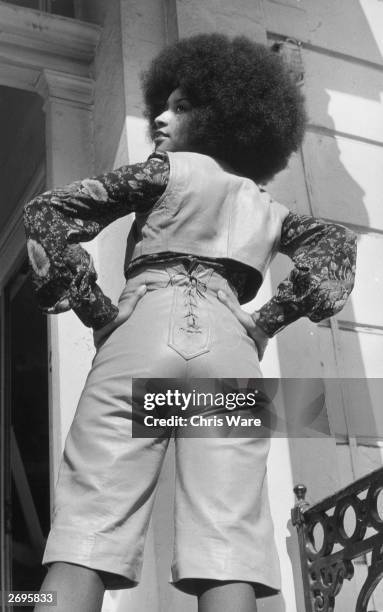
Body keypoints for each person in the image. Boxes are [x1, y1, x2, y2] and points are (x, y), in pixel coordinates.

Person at [23, 33, 357, 612]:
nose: (158, 118)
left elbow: (45, 213)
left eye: (179, 107)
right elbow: (335, 249)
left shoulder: (161, 174)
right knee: (227, 536)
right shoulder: (267, 208)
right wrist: (267, 322)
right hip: (230, 350)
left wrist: (97, 311)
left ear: (221, 116)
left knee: (89, 525)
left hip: (142, 333)